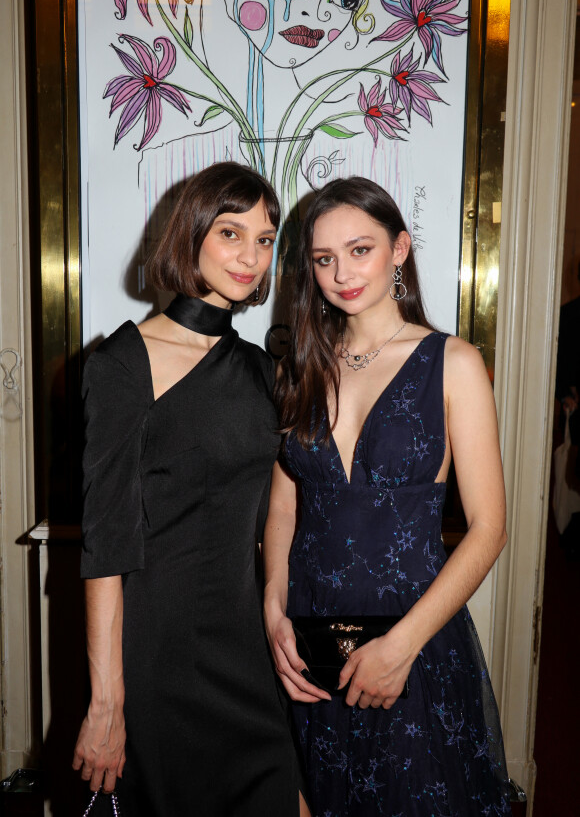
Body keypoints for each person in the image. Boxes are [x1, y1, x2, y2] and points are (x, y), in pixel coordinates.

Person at [263, 177, 511, 815]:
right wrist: (273, 611)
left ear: (399, 249)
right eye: (324, 259)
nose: (342, 273)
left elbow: (489, 529)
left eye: (360, 249)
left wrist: (401, 646)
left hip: (413, 638)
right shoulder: (300, 367)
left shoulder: (453, 362)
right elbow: (285, 506)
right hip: (310, 641)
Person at [72, 162, 307, 816]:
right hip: (159, 657)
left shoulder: (266, 374)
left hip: (248, 653)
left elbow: (286, 517)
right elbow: (106, 545)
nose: (250, 256)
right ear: (192, 233)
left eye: (265, 239)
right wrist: (106, 702)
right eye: (231, 233)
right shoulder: (122, 364)